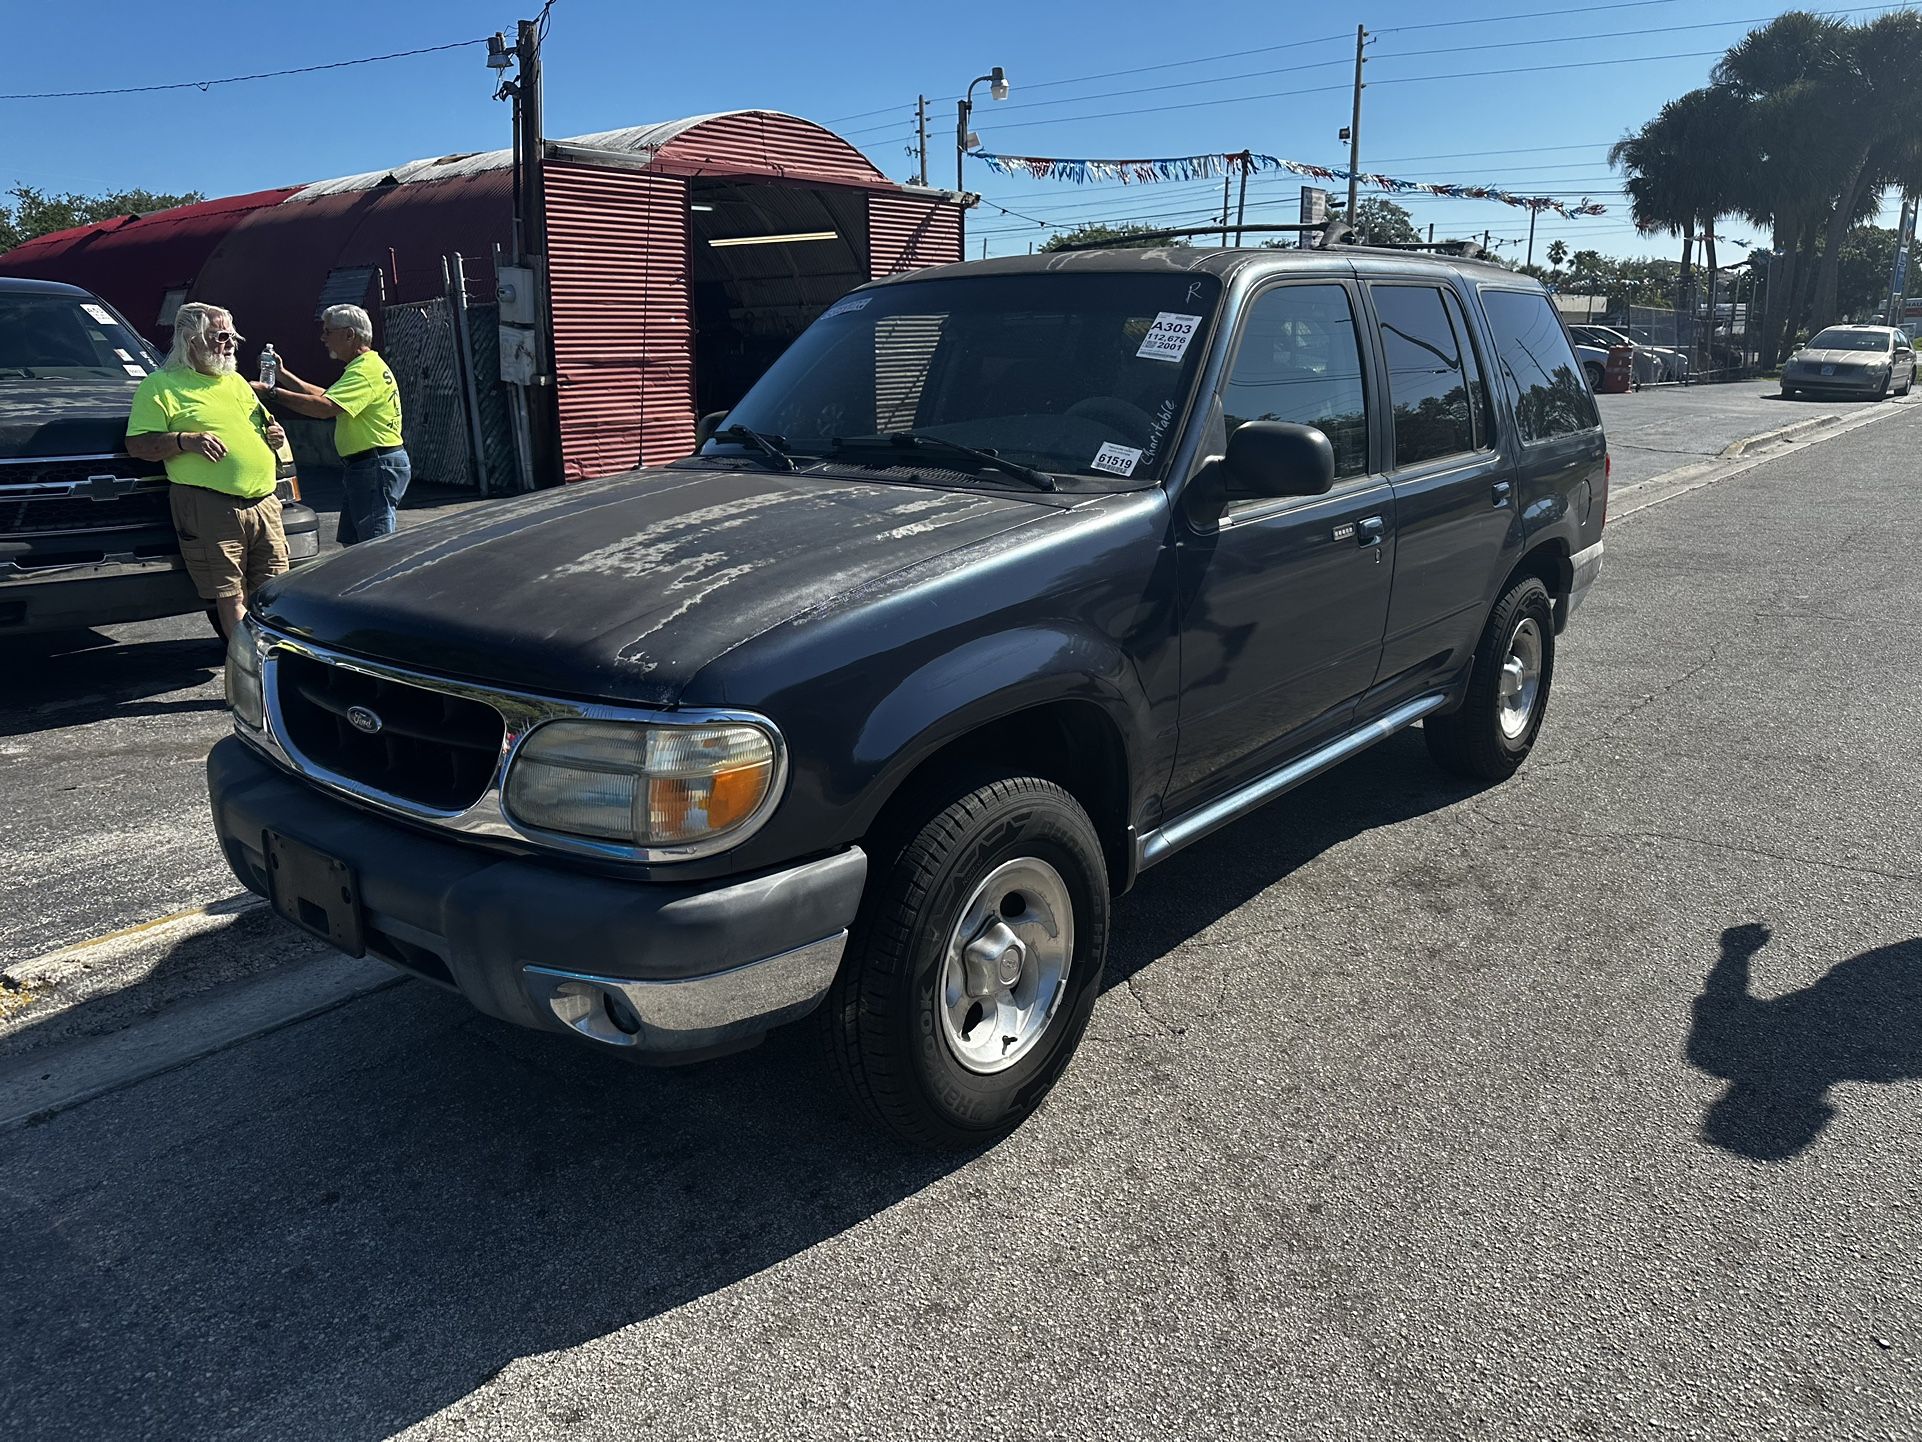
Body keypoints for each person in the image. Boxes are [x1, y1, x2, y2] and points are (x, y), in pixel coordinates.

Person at [125, 302, 288, 640]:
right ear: (191, 340)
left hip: (264, 502)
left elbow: (263, 425)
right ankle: (251, 673)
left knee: (275, 591)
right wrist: (185, 440)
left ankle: (273, 665)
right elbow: (138, 445)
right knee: (231, 594)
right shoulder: (161, 385)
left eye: (233, 337)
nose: (230, 345)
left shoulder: (238, 382)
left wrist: (275, 435)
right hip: (211, 505)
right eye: (221, 336)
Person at [257, 304, 408, 544]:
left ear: (349, 334)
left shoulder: (364, 372)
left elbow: (324, 408)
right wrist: (283, 375)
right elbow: (326, 396)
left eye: (328, 331)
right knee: (355, 543)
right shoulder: (363, 367)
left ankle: (380, 582)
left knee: (374, 546)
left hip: (373, 464)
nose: (323, 338)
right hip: (368, 465)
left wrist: (271, 393)